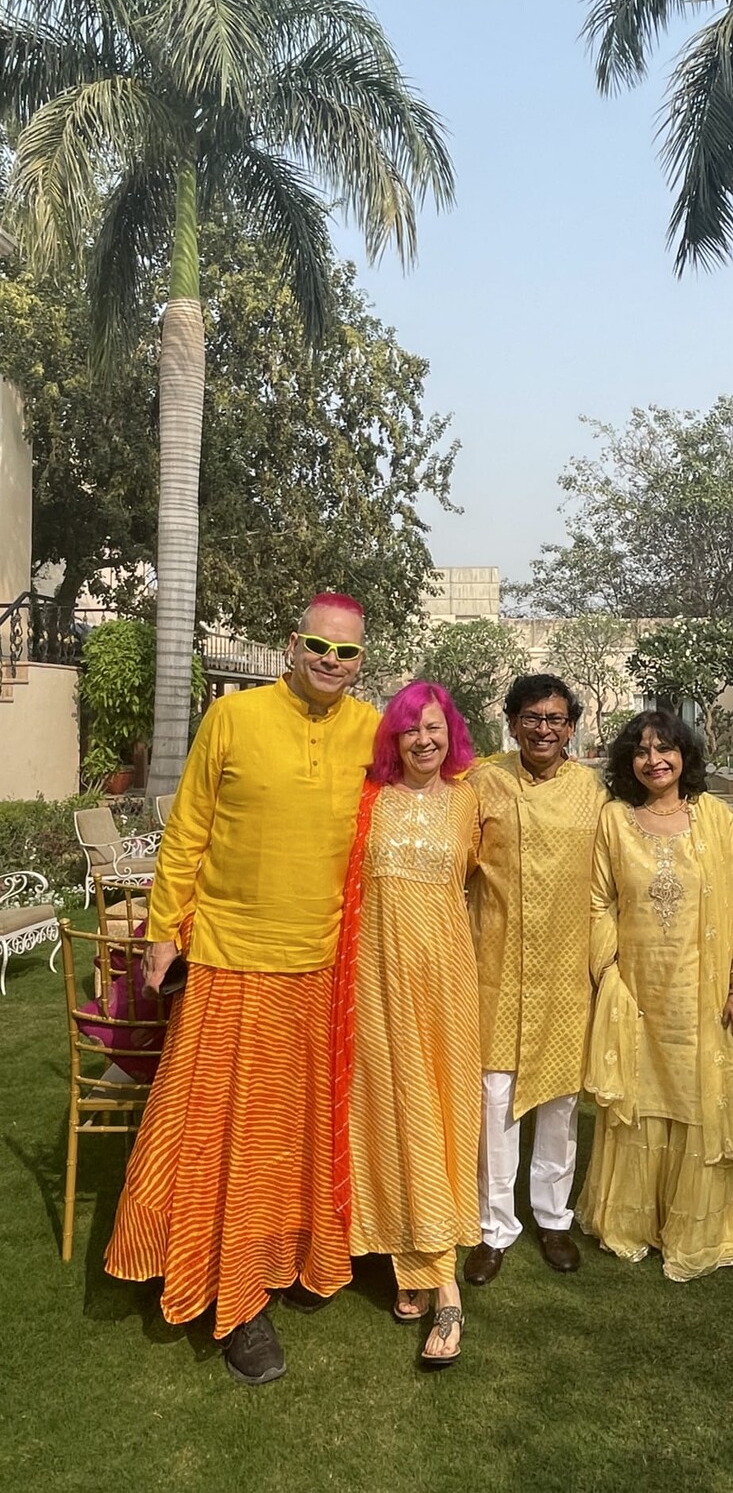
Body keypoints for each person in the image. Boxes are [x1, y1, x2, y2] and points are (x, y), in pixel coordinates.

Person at [105, 593, 379, 1385]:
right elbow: (188, 826)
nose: (331, 662)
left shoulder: (371, 733)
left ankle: (288, 1254)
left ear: (363, 660)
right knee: (223, 1136)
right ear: (293, 644)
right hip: (228, 959)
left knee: (296, 1137)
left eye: (347, 653)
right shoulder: (234, 718)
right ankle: (233, 1295)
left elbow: (441, 785)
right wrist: (164, 931)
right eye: (319, 647)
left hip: (320, 970)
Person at [577, 710, 733, 1279]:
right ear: (628, 762)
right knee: (642, 1101)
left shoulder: (717, 819)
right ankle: (636, 1223)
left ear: (685, 754)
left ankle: (706, 1228)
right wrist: (609, 972)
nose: (654, 760)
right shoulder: (615, 820)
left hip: (705, 992)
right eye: (641, 751)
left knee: (698, 1098)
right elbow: (599, 900)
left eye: (665, 748)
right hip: (639, 992)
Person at [330, 681, 481, 1368]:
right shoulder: (368, 802)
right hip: (376, 982)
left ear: (452, 733)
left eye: (435, 728)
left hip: (445, 982)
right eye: (410, 731)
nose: (424, 740)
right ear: (392, 740)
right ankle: (419, 1265)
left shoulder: (471, 800)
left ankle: (436, 1272)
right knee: (391, 1116)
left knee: (442, 1116)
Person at [463, 673, 607, 1284]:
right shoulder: (481, 783)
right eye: (531, 717)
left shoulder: (593, 791)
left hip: (566, 969)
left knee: (560, 1101)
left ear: (570, 727)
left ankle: (553, 1219)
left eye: (554, 719)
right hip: (494, 962)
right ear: (513, 722)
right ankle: (494, 1228)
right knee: (495, 1102)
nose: (543, 729)